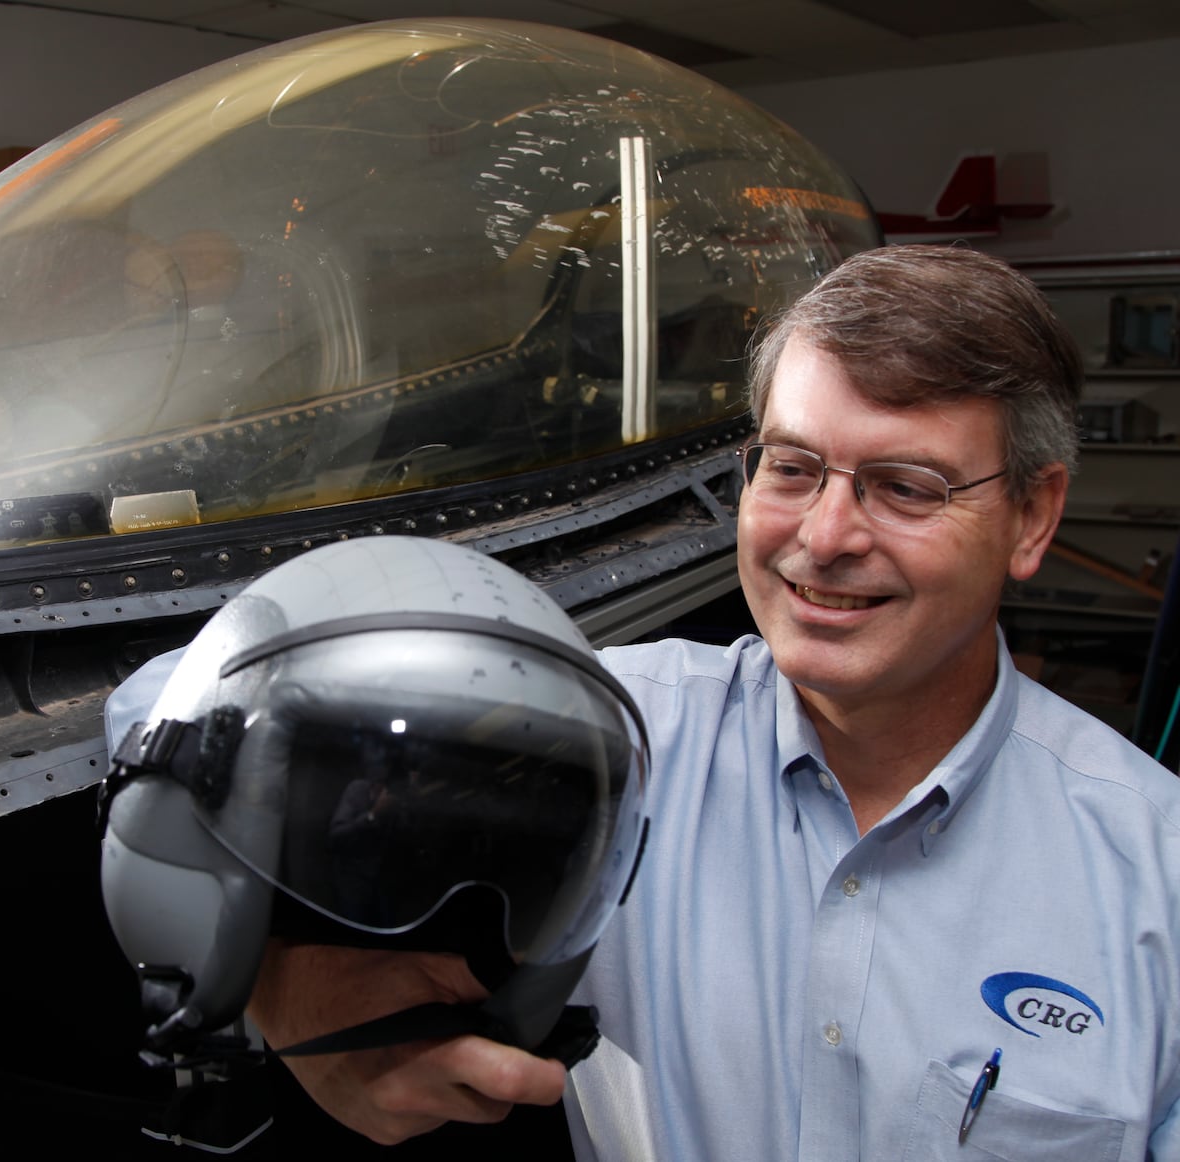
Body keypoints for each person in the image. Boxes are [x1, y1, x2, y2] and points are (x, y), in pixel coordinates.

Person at [244, 244, 1180, 1160]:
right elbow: (215, 748)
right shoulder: (600, 740)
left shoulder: (1156, 877)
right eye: (792, 467)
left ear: (1032, 517)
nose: (825, 535)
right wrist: (296, 994)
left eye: (905, 487)